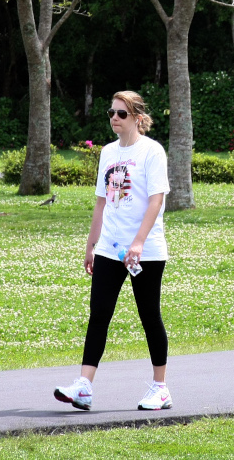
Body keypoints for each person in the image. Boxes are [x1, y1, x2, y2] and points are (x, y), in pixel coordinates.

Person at [54, 91, 172, 411]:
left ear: (137, 118)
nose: (114, 118)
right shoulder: (107, 152)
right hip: (110, 248)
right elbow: (101, 203)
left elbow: (156, 201)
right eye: (111, 113)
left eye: (121, 113)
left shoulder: (151, 151)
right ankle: (84, 386)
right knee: (99, 315)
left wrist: (139, 242)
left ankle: (160, 388)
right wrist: (91, 245)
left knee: (149, 316)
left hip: (145, 251)